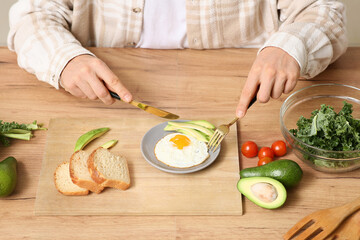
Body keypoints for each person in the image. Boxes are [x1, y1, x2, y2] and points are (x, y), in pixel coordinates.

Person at [7, 0, 347, 118]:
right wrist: (64, 60)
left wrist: (289, 46)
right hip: (113, 106)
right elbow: (31, 16)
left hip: (253, 103)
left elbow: (324, 11)